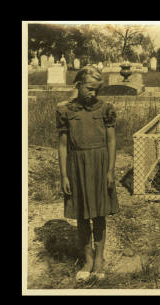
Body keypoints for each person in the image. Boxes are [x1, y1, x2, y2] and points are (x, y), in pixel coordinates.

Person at [56, 65, 119, 282]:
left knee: (99, 213)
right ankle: (88, 259)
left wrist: (110, 170)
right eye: (90, 89)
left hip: (100, 165)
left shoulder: (105, 109)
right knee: (82, 214)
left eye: (97, 89)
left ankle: (100, 259)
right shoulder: (65, 110)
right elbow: (63, 145)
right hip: (76, 165)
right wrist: (64, 175)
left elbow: (111, 141)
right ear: (78, 85)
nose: (94, 93)